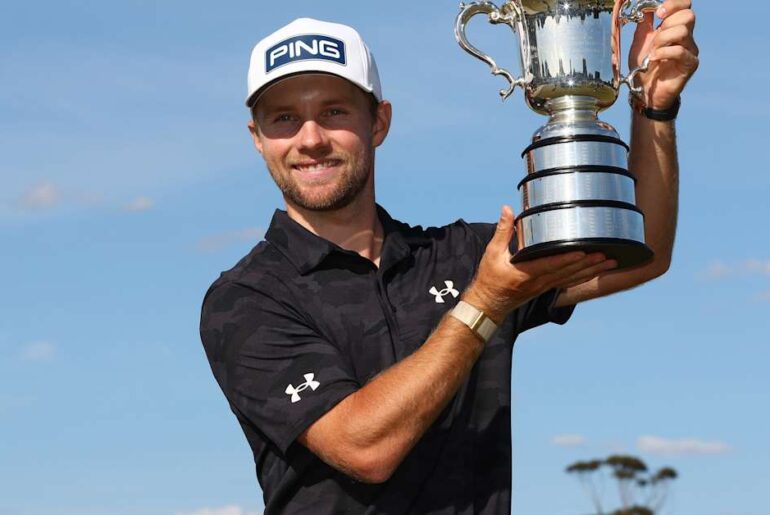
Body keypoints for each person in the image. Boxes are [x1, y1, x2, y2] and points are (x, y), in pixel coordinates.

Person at [200, 4, 698, 514]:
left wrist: (652, 108)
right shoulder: (245, 298)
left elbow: (640, 254)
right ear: (258, 139)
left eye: (334, 112)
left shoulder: (463, 257)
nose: (310, 139)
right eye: (284, 119)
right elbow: (363, 447)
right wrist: (484, 303)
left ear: (379, 123)